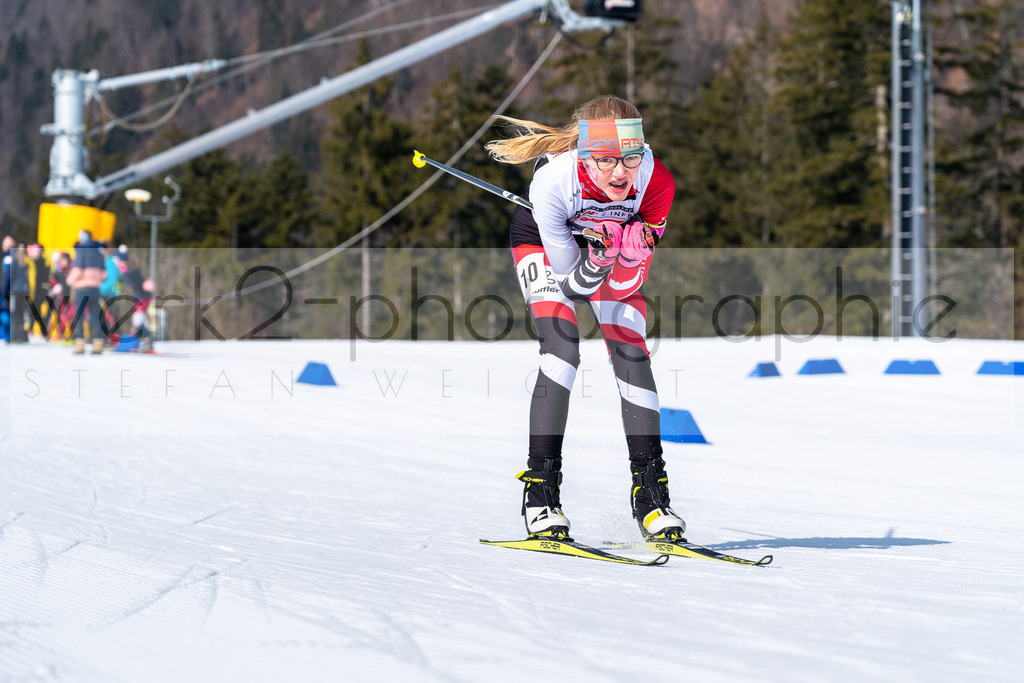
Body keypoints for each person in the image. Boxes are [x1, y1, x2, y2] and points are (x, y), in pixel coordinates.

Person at [485, 95, 682, 541]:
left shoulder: (656, 182)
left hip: (604, 252)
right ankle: (541, 496)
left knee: (631, 349)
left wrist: (629, 256)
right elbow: (573, 285)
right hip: (545, 243)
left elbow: (629, 286)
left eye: (631, 158)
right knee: (562, 348)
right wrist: (598, 260)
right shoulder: (552, 184)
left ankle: (651, 498)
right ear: (584, 154)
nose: (620, 172)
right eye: (606, 159)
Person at [65, 230, 107, 354]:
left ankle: (80, 345)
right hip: (95, 289)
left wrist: (69, 281)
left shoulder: (81, 252)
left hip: (82, 290)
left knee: (80, 317)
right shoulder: (99, 254)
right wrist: (94, 280)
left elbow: (77, 271)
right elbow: (104, 275)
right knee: (95, 317)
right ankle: (98, 344)